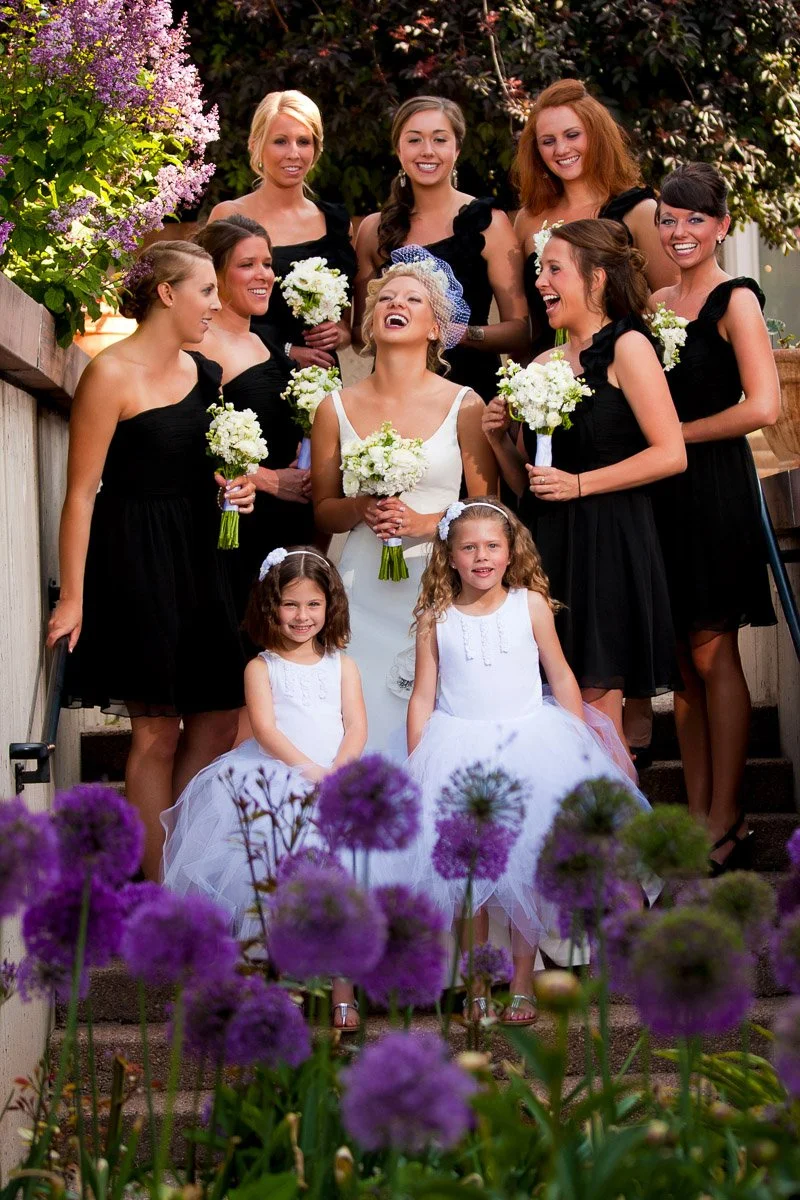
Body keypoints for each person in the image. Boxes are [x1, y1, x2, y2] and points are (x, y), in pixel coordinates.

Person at [377, 498, 652, 1024]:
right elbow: (422, 696)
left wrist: (578, 738)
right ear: (450, 556)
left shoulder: (530, 605)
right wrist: (417, 762)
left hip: (532, 744)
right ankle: (478, 981)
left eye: (492, 547)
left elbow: (562, 674)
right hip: (458, 750)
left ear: (510, 552)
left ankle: (524, 979)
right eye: (469, 548)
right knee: (471, 875)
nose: (482, 557)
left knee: (526, 866)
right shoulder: (436, 618)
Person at [46, 242, 256, 881]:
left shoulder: (207, 373)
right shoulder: (109, 373)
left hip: (206, 559)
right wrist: (74, 596)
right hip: (136, 560)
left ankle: (183, 856)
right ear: (167, 294)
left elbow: (213, 468)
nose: (216, 306)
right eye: (205, 292)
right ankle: (157, 888)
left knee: (219, 719)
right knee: (157, 730)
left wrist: (237, 487)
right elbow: (81, 494)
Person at [482, 219, 686, 744]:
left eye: (554, 269)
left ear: (596, 279)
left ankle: (609, 820)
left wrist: (580, 485)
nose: (542, 281)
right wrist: (501, 441)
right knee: (550, 705)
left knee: (596, 713)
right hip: (548, 546)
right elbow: (529, 483)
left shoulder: (629, 347)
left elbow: (670, 454)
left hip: (609, 544)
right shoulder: (544, 363)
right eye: (540, 269)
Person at [162, 547, 367, 1030]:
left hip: (334, 781)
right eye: (291, 604)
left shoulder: (343, 666)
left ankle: (343, 991)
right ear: (270, 606)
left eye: (313, 604)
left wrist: (338, 769)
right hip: (273, 783)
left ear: (330, 605)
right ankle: (271, 990)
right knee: (266, 890)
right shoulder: (262, 667)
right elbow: (267, 730)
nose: (302, 616)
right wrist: (307, 770)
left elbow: (356, 725)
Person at [313, 249, 498, 753]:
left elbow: (489, 512)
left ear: (436, 327)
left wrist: (426, 522)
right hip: (361, 584)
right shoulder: (334, 407)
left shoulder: (465, 403)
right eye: (386, 299)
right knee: (363, 715)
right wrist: (360, 509)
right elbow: (324, 509)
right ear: (371, 324)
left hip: (438, 583)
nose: (396, 304)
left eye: (413, 299)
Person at [649, 162, 779, 872]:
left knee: (712, 649)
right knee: (680, 665)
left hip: (715, 490)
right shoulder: (655, 299)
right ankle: (695, 814)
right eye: (669, 219)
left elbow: (765, 406)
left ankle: (728, 816)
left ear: (723, 224)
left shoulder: (736, 300)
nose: (679, 231)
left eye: (694, 218)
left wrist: (677, 439)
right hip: (659, 498)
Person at [353, 95, 529, 401]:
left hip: (468, 392)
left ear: (457, 149)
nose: (427, 151)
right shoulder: (373, 230)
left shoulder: (488, 224)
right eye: (414, 140)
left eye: (439, 139)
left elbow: (521, 330)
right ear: (398, 149)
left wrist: (462, 334)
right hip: (392, 395)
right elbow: (360, 335)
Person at [192, 216, 314, 621]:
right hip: (238, 524)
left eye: (267, 263)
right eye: (247, 265)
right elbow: (191, 438)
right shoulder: (201, 345)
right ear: (215, 274)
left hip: (285, 523)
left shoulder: (262, 339)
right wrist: (269, 480)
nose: (263, 275)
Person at [513, 79, 678, 358]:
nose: (561, 149)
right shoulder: (528, 219)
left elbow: (669, 312)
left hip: (617, 377)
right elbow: (528, 324)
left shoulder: (640, 212)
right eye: (548, 141)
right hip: (544, 379)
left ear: (596, 135)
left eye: (573, 135)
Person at [209, 89, 356, 371]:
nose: (294, 153)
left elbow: (348, 324)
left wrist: (340, 333)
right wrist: (286, 349)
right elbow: (213, 311)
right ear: (256, 145)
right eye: (280, 141)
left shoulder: (337, 224)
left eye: (304, 142)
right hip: (249, 372)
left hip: (320, 377)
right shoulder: (230, 217)